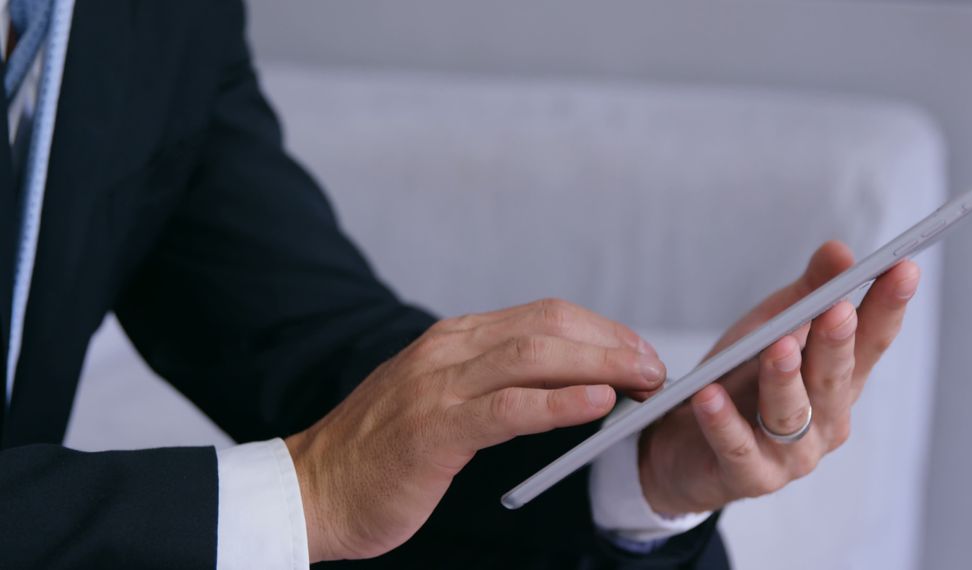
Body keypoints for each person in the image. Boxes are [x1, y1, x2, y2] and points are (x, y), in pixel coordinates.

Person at [0, 1, 921, 568]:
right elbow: (326, 468)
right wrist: (306, 495)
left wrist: (634, 467)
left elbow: (304, 346)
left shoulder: (149, 18)